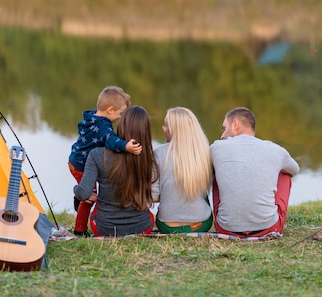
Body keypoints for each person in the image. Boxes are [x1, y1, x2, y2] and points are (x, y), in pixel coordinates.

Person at [210, 107, 300, 238]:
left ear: (235, 124)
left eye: (224, 128)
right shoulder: (275, 149)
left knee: (214, 171)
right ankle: (267, 215)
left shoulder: (216, 147)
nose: (222, 136)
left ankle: (231, 218)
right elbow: (295, 169)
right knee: (285, 173)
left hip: (226, 230)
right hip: (269, 229)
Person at [73, 105, 159, 237]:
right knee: (148, 215)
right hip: (142, 227)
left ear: (121, 126)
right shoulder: (150, 157)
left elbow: (84, 194)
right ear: (146, 131)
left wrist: (76, 189)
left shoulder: (96, 154)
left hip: (103, 228)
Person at [68, 86, 142, 236]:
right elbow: (111, 140)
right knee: (89, 198)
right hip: (82, 166)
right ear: (110, 110)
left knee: (89, 195)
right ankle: (79, 229)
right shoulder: (103, 125)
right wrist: (126, 146)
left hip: (75, 160)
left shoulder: (91, 119)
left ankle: (81, 198)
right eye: (120, 113)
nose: (120, 117)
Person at [152, 107, 213, 234]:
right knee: (203, 192)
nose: (163, 129)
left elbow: (153, 196)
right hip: (201, 224)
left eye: (165, 126)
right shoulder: (204, 152)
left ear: (175, 130)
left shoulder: (158, 153)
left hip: (167, 226)